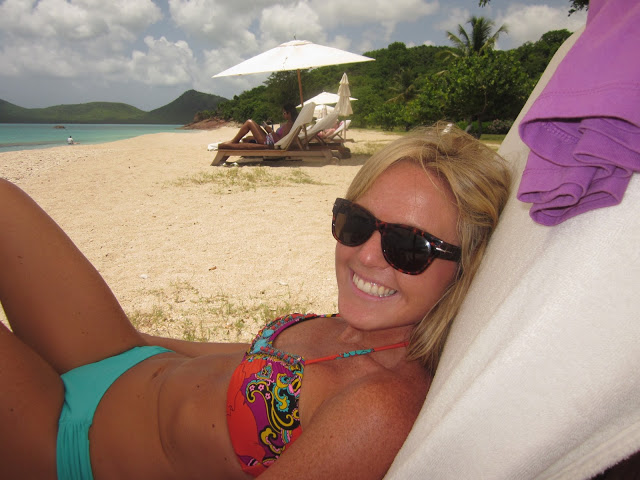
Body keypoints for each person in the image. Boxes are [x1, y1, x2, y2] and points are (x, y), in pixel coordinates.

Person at [0, 122, 511, 479]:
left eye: (409, 247)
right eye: (356, 223)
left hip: (70, 449)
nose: (367, 256)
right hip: (124, 360)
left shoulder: (381, 407)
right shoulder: (355, 327)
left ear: (464, 270)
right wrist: (139, 339)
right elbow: (244, 360)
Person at [220, 103, 298, 148]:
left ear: (289, 113)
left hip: (270, 142)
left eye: (284, 113)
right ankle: (234, 141)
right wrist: (269, 130)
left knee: (249, 122)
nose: (283, 115)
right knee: (246, 138)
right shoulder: (290, 124)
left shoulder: (289, 125)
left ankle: (233, 142)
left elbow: (279, 141)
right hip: (270, 139)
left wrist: (270, 131)